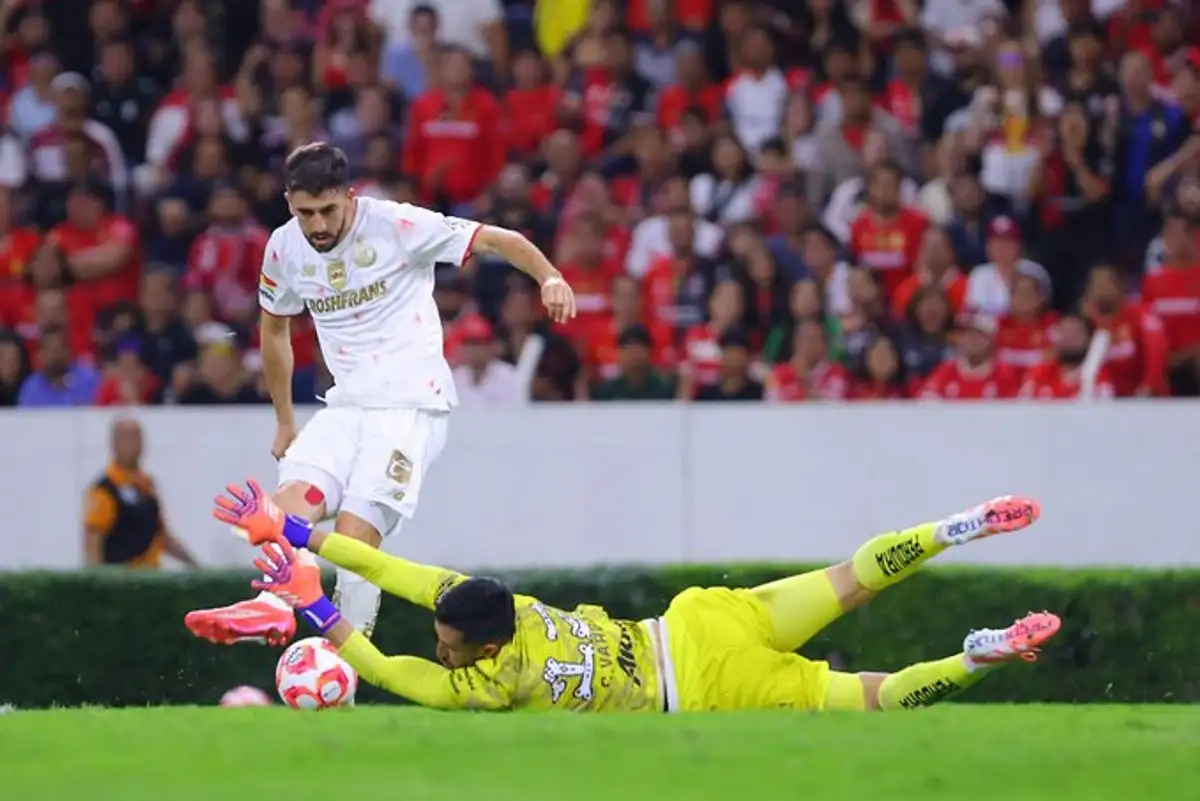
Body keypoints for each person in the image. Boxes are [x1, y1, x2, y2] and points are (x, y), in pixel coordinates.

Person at [185, 142, 576, 646]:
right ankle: (271, 609)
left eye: (329, 209)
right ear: (288, 203)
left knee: (353, 535)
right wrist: (284, 420)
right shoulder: (284, 248)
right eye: (306, 213)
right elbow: (274, 332)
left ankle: (343, 657)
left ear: (350, 196)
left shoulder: (396, 224)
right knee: (283, 507)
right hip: (346, 405)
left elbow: (495, 239)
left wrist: (549, 276)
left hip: (412, 406)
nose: (319, 224)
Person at [216, 480, 1059, 713]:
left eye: (444, 638)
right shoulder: (509, 604)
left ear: (475, 643)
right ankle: (952, 528)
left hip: (701, 690)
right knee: (849, 577)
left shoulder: (492, 682)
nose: (438, 644)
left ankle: (977, 654)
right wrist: (292, 539)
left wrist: (315, 605)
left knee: (875, 698)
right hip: (695, 619)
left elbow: (399, 674)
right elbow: (403, 578)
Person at [83, 417, 197, 568]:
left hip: (150, 578)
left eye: (138, 437)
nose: (135, 444)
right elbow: (93, 542)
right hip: (122, 580)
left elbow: (161, 536)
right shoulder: (105, 489)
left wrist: (194, 564)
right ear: (113, 444)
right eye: (127, 438)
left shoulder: (147, 485)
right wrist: (98, 583)